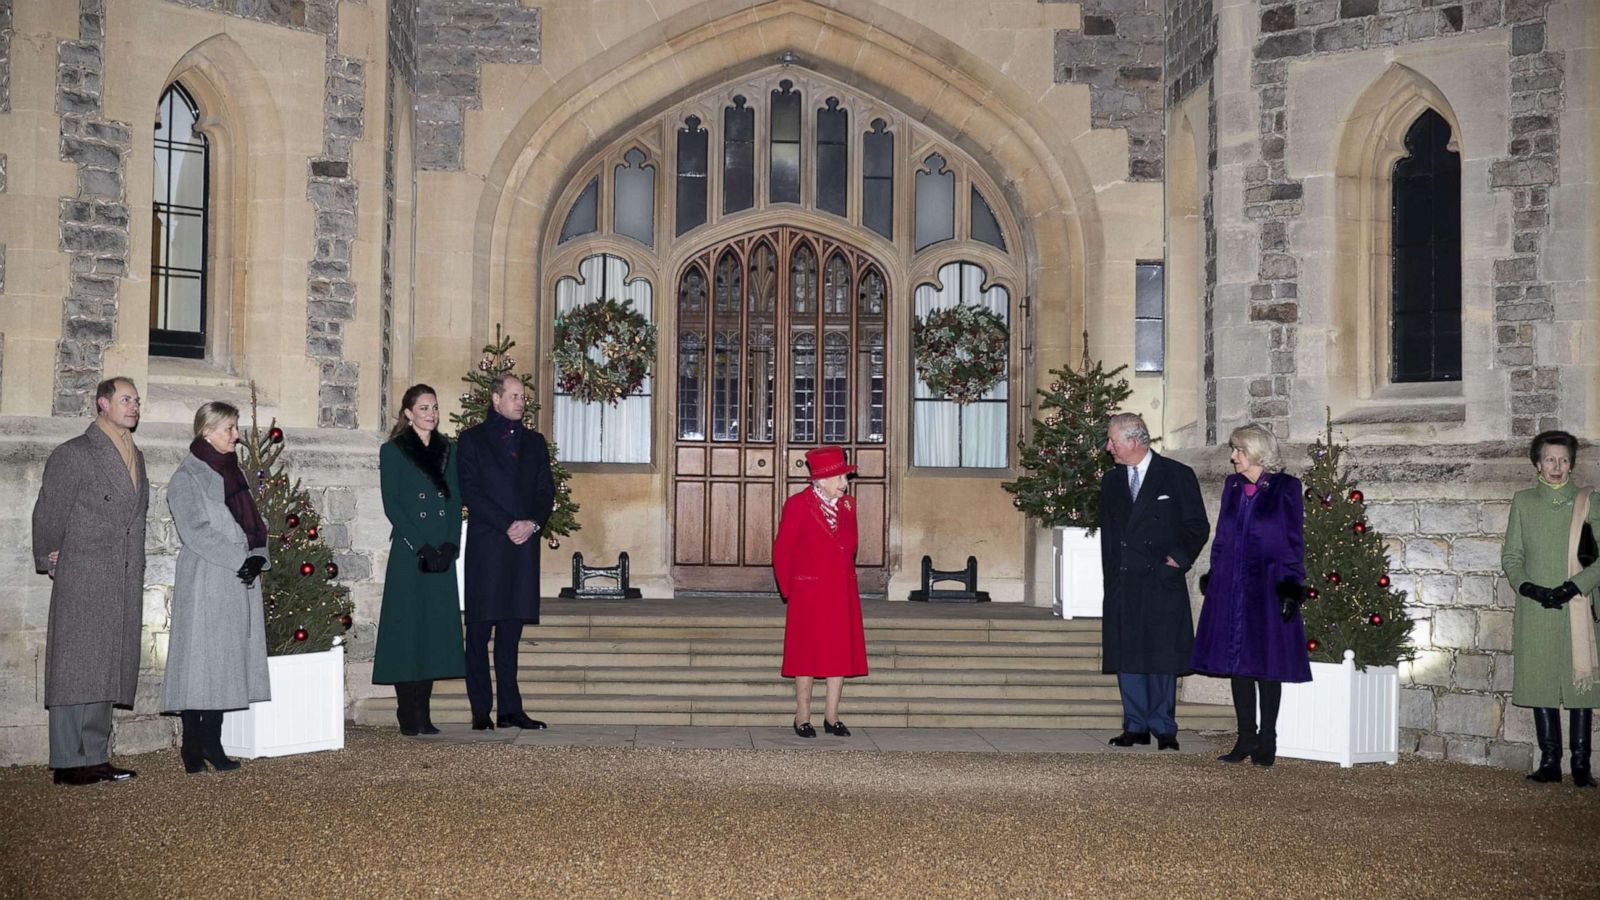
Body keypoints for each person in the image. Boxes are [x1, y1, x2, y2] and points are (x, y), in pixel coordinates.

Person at [30, 377, 149, 786]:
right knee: (75, 665)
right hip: (84, 570)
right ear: (103, 403)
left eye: (136, 400)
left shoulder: (138, 456)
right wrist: (47, 556)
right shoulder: (74, 454)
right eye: (125, 399)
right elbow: (48, 511)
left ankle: (95, 755)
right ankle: (67, 760)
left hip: (123, 574)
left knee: (109, 663)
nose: (134, 406)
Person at [1190, 424, 1310, 768]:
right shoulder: (1232, 486)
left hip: (1268, 583)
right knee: (1237, 663)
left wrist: (1291, 586)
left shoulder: (1287, 488)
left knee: (1266, 664)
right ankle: (1245, 737)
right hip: (1231, 583)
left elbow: (1292, 540)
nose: (1233, 457)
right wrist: (1214, 575)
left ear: (1256, 451)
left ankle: (1267, 740)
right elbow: (1222, 537)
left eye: (1238, 450)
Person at [161, 402, 271, 773]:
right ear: (206, 431)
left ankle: (212, 742)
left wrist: (258, 556)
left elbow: (254, 524)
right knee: (202, 664)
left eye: (236, 427)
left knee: (224, 663)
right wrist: (240, 559)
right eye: (229, 428)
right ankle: (194, 746)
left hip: (236, 580)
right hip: (207, 579)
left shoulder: (232, 473)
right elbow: (195, 531)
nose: (236, 435)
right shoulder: (186, 477)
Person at [1098, 413, 1210, 751]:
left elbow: (1197, 527)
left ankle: (1163, 727)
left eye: (1112, 441)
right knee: (1127, 654)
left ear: (1133, 441)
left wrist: (1175, 562)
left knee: (1161, 655)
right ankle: (1134, 725)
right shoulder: (1111, 481)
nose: (1108, 447)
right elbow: (1109, 537)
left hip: (1161, 580)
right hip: (1124, 581)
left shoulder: (1176, 475)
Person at [1501, 430, 1600, 788]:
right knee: (1541, 679)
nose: (1557, 467)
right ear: (1537, 463)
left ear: (1571, 463)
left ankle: (1581, 765)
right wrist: (1527, 587)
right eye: (1550, 460)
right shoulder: (1523, 502)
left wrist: (1575, 586)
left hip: (1578, 605)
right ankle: (1549, 762)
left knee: (1579, 685)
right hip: (1536, 607)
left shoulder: (1590, 502)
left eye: (1563, 460)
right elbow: (1512, 555)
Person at [457, 374, 555, 731]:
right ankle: (481, 710)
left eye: (523, 397)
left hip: (522, 547)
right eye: (514, 396)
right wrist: (506, 524)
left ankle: (511, 709)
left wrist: (531, 523)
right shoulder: (471, 440)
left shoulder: (535, 442)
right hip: (489, 545)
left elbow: (546, 491)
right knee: (480, 632)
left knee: (511, 633)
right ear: (496, 399)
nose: (521, 401)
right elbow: (469, 490)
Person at [373, 384, 466, 736]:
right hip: (411, 553)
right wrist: (421, 545)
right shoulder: (393, 451)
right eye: (424, 408)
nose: (431, 413)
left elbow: (455, 501)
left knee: (432, 630)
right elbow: (392, 505)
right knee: (407, 629)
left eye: (435, 407)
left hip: (440, 552)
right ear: (408, 413)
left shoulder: (447, 450)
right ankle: (406, 711)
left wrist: (450, 545)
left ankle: (424, 714)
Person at [773, 446, 869, 738]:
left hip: (841, 590)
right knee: (806, 655)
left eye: (844, 478)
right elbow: (783, 550)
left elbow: (850, 545)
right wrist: (790, 589)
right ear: (822, 479)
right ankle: (802, 717)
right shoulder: (797, 505)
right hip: (809, 592)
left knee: (838, 653)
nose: (845, 483)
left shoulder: (848, 505)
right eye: (840, 477)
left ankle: (832, 716)